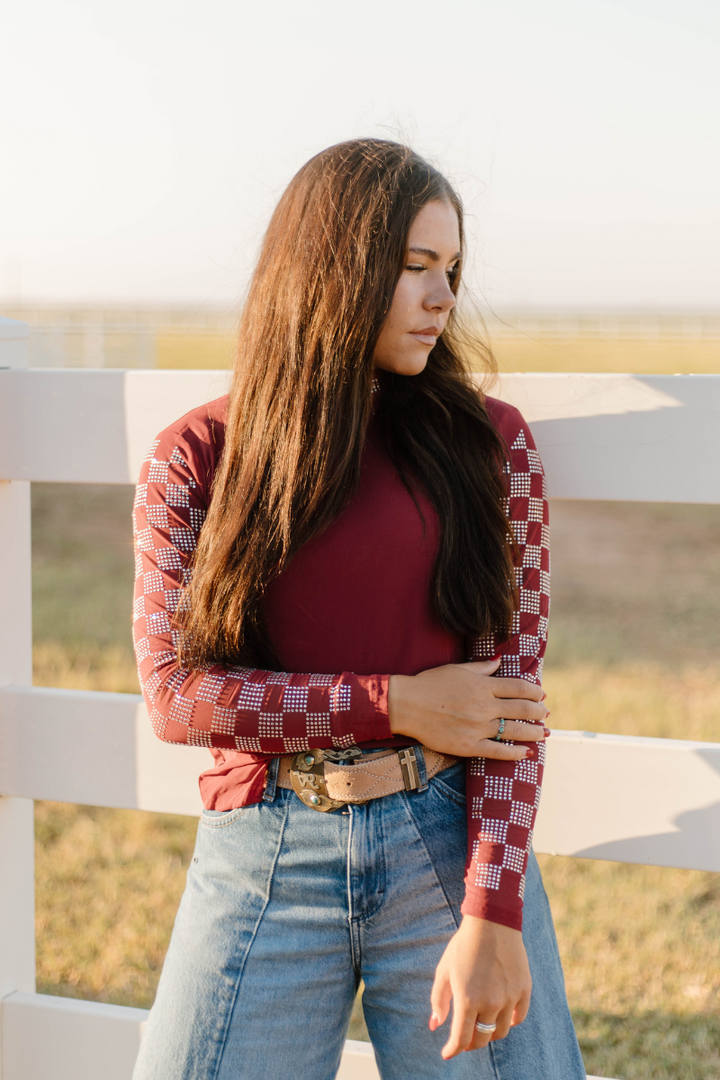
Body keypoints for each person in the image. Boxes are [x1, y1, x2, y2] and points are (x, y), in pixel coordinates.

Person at [131, 138, 585, 1080]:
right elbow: (178, 695)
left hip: (448, 843)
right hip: (263, 849)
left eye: (451, 269)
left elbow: (511, 702)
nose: (442, 296)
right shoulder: (197, 457)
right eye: (415, 266)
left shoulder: (492, 445)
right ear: (333, 267)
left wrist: (494, 912)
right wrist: (400, 702)